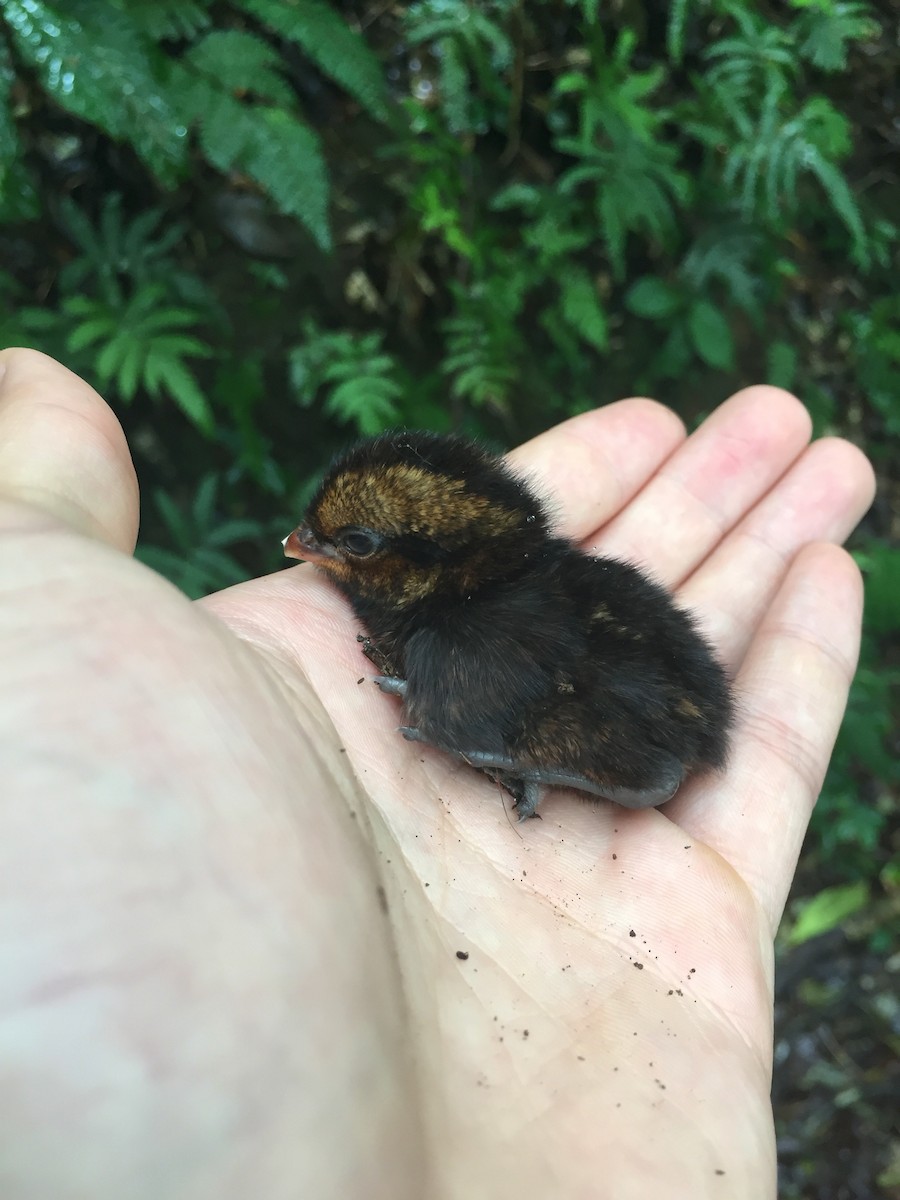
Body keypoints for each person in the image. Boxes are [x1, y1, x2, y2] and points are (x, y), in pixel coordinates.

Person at [0, 347, 875, 1200]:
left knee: (450, 714)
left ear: (428, 564)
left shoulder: (455, 663)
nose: (304, 545)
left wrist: (496, 745)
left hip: (633, 748)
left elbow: (636, 723)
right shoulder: (538, 592)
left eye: (352, 542)